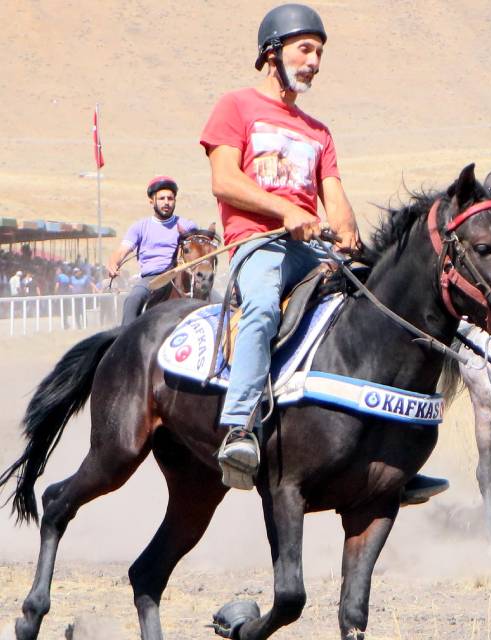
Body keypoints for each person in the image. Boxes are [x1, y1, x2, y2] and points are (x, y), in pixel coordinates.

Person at [200, 4, 446, 502]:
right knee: (264, 308)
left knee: (372, 312)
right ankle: (240, 427)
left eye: (319, 53)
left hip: (311, 252)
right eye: (305, 50)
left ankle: (387, 458)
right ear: (273, 52)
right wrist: (284, 212)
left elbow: (333, 195)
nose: (314, 61)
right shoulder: (236, 107)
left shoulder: (318, 131)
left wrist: (348, 231)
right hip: (257, 244)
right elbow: (224, 181)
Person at [107, 176, 198, 322]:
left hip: (183, 277)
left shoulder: (187, 225)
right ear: (152, 201)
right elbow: (122, 251)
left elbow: (200, 249)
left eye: (170, 198)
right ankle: (125, 341)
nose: (166, 202)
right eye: (162, 198)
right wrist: (113, 263)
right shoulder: (140, 227)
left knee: (218, 299)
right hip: (153, 279)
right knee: (133, 299)